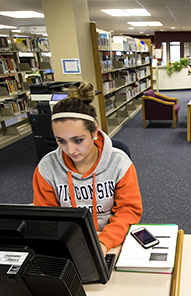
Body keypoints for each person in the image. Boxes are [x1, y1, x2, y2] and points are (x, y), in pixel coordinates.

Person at [33, 82, 143, 255]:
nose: (70, 150)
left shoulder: (120, 163)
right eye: (61, 141)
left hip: (112, 241)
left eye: (78, 140)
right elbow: (47, 218)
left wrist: (104, 243)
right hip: (68, 243)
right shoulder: (46, 168)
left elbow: (128, 210)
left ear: (94, 133)